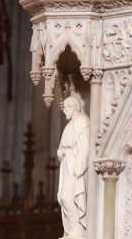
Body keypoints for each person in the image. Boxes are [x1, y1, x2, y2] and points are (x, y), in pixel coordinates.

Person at [56, 94, 90, 239]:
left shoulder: (83, 121)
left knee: (69, 197)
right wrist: (60, 152)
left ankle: (77, 231)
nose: (64, 111)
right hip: (66, 165)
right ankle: (71, 231)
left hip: (74, 166)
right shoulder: (69, 125)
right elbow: (63, 146)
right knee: (63, 198)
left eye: (65, 108)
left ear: (74, 107)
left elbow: (84, 145)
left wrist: (80, 166)